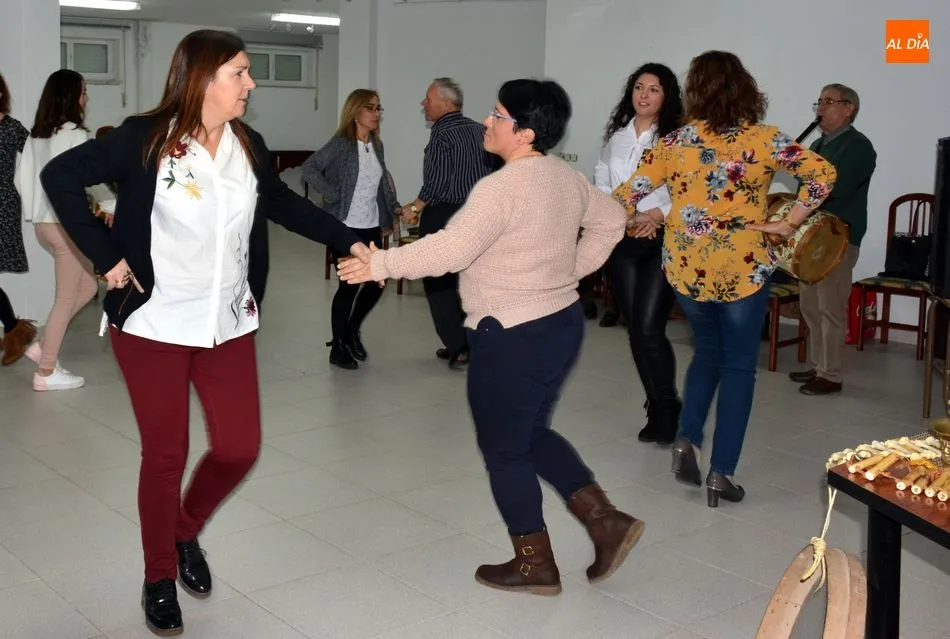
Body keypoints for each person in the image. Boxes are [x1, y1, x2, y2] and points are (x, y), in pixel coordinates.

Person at [40, 30, 370, 635]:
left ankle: (184, 530)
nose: (250, 83)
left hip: (227, 321)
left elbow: (282, 204)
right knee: (166, 455)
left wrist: (347, 240)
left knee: (240, 447)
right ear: (202, 78)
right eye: (239, 72)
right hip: (155, 323)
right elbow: (60, 175)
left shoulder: (247, 144)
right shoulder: (146, 138)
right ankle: (158, 575)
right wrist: (107, 260)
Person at [339, 79, 643, 595]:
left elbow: (451, 250)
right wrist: (570, 270)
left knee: (504, 449)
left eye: (498, 115)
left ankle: (535, 564)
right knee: (530, 432)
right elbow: (613, 219)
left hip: (511, 334)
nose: (487, 121)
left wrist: (381, 264)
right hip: (560, 323)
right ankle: (605, 521)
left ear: (524, 133)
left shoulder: (501, 188)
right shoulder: (564, 178)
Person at [614, 50, 837, 507]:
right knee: (737, 368)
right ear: (745, 88)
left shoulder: (674, 142)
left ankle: (688, 437)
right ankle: (722, 473)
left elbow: (625, 195)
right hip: (743, 268)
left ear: (694, 91)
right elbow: (822, 175)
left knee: (707, 354)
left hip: (687, 269)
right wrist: (789, 222)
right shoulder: (764, 139)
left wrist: (630, 220)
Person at [594, 63, 684, 445]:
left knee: (649, 327)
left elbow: (686, 189)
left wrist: (656, 215)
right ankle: (658, 403)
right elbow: (602, 176)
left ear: (667, 96)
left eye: (653, 89)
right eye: (638, 87)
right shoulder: (617, 136)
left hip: (662, 238)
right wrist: (621, 214)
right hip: (624, 237)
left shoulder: (676, 139)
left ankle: (668, 405)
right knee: (636, 327)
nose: (643, 95)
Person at [17, 69, 112, 390]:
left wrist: (37, 208)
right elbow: (90, 179)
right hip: (65, 226)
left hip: (43, 226)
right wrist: (110, 206)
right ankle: (46, 372)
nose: (87, 97)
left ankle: (42, 347)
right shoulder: (76, 135)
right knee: (66, 297)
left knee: (87, 287)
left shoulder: (36, 136)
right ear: (71, 97)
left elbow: (20, 180)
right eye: (83, 92)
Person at [400, 77, 497, 370]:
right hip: (479, 215)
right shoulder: (481, 130)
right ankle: (479, 343)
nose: (423, 104)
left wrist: (414, 207)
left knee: (439, 283)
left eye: (428, 99)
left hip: (445, 216)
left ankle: (458, 346)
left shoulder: (442, 134)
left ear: (445, 103)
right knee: (472, 283)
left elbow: (437, 183)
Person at [302, 89, 399, 370]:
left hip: (371, 224)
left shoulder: (377, 145)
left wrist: (392, 208)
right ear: (355, 111)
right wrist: (333, 195)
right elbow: (309, 169)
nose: (376, 113)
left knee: (378, 281)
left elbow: (382, 183)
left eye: (379, 108)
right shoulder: (341, 145)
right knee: (349, 286)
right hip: (344, 226)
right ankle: (338, 346)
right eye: (370, 108)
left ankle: (351, 330)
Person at [789, 84, 876, 396]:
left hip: (839, 236)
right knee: (810, 305)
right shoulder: (817, 144)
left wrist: (803, 172)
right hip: (813, 236)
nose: (821, 108)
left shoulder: (859, 146)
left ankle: (832, 375)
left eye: (828, 101)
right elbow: (804, 188)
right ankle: (818, 365)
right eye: (819, 102)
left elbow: (837, 187)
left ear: (848, 108)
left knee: (831, 307)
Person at [0, 71, 36, 365]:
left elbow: (38, 154)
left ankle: (14, 331)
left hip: (2, 205)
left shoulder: (11, 128)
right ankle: (16, 330)